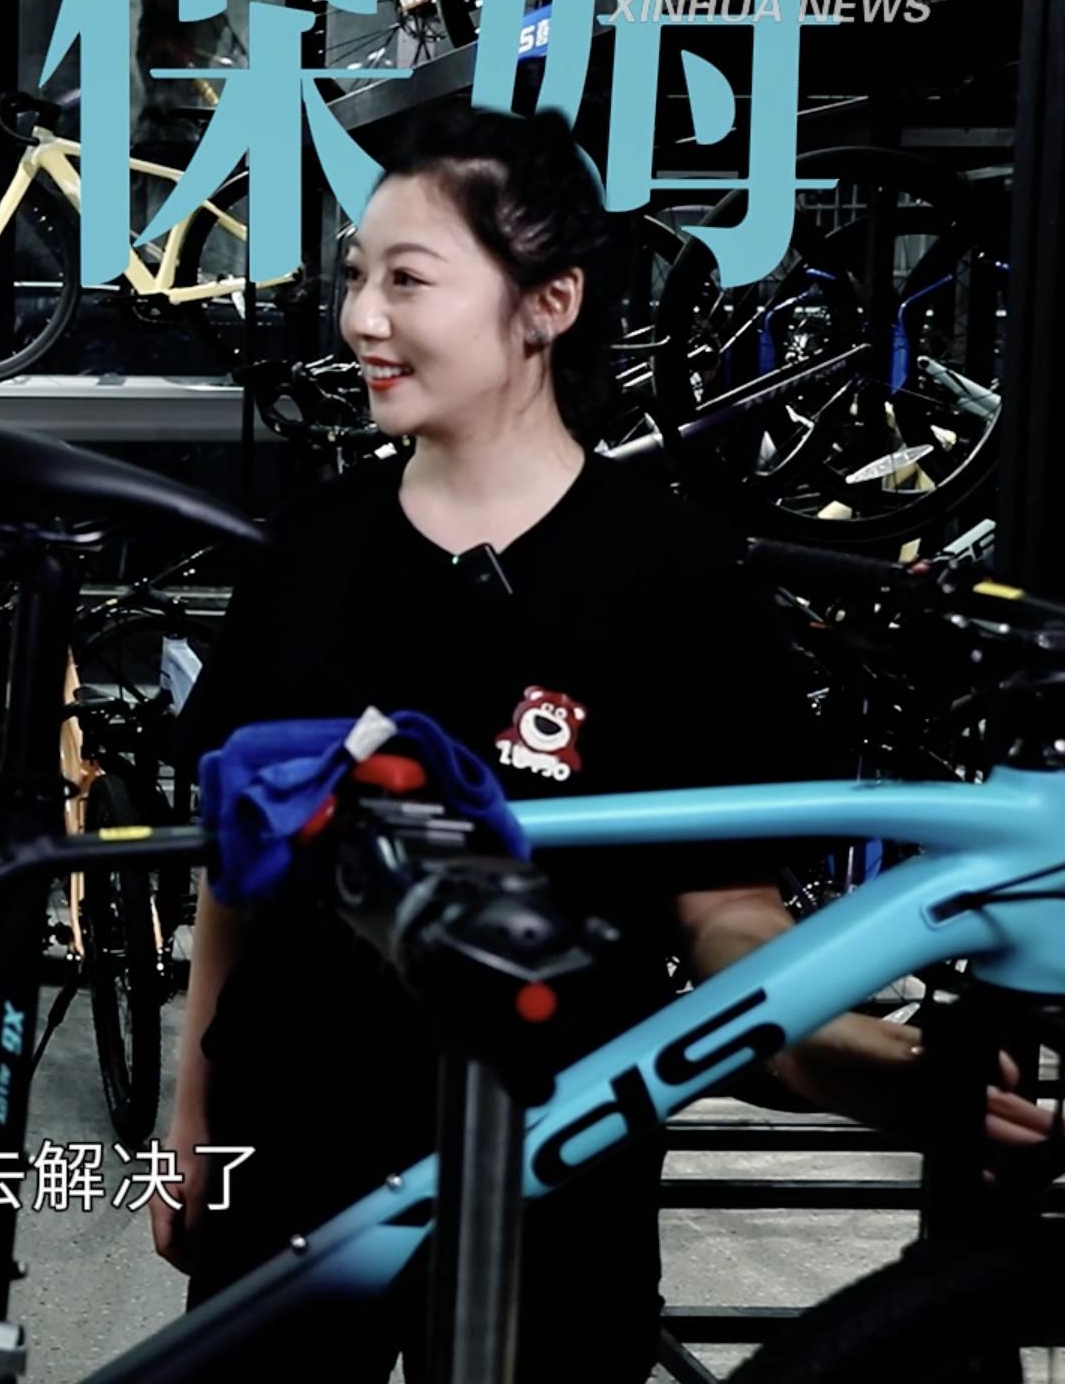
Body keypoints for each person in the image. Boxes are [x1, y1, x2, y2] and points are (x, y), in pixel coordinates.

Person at [151, 102, 1049, 1381]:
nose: (359, 318)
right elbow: (237, 868)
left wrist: (850, 1055)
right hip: (295, 1136)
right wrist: (191, 1113)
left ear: (548, 302)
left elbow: (723, 912)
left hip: (560, 1161)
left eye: (407, 279)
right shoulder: (305, 551)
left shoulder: (676, 576)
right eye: (355, 276)